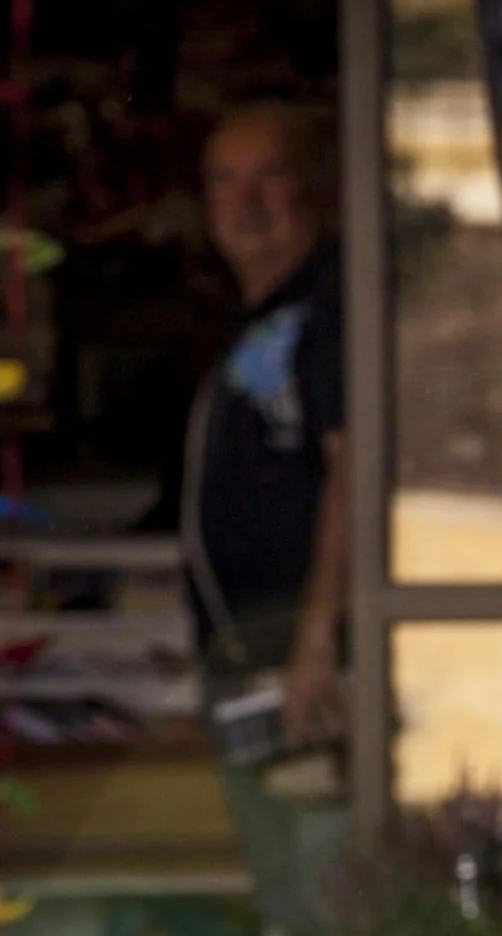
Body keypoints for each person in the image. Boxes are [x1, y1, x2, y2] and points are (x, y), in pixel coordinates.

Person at [183, 102, 348, 936]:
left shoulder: (330, 313)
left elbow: (353, 472)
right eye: (224, 179)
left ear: (316, 186)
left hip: (305, 683)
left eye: (270, 174)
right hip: (254, 675)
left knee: (325, 895)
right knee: (286, 904)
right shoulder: (260, 319)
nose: (245, 200)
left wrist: (315, 645)